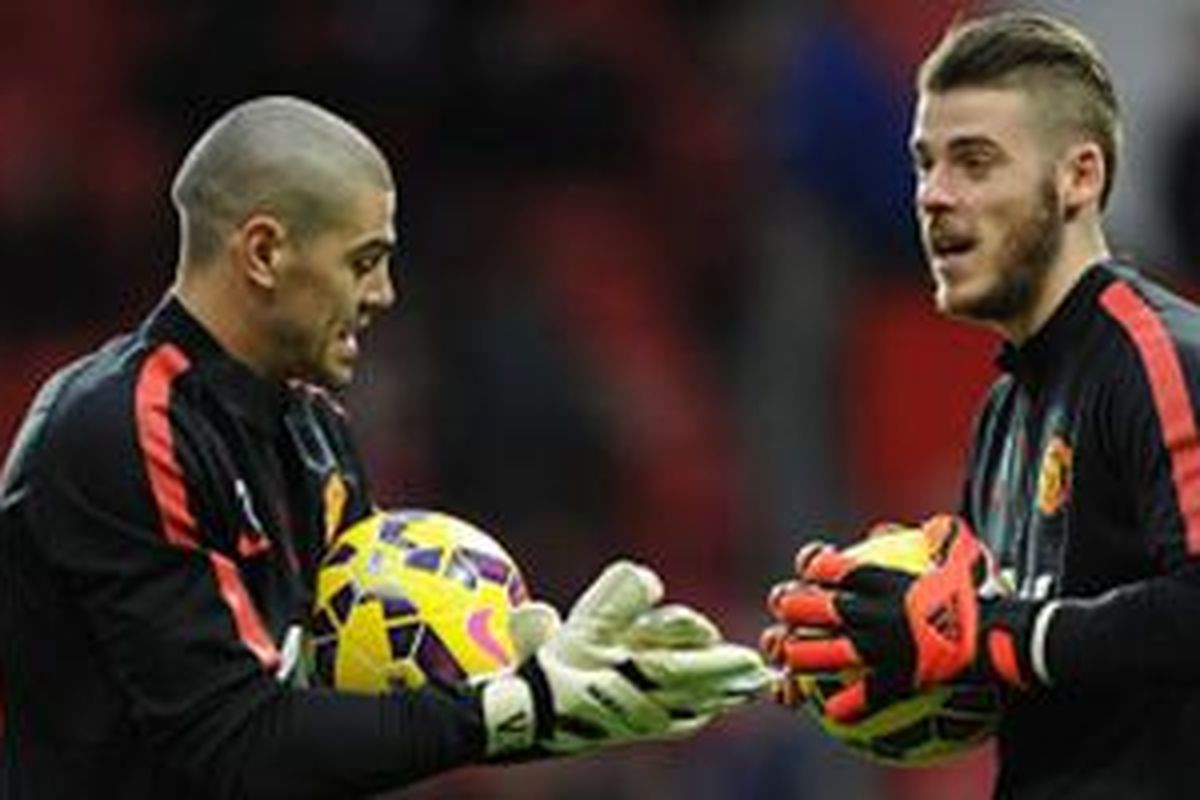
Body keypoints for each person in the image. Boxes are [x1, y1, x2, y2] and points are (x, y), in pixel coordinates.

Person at [0, 95, 769, 799]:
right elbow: (232, 742)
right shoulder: (119, 426)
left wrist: (559, 694)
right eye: (363, 261)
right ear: (264, 253)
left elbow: (357, 715)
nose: (384, 294)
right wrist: (518, 707)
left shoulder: (316, 434)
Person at [763, 10, 1200, 798]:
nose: (934, 196)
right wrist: (876, 649)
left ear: (1079, 178)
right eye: (925, 164)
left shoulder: (1161, 359)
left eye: (974, 162)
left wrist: (986, 633)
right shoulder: (1005, 411)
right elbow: (1005, 661)